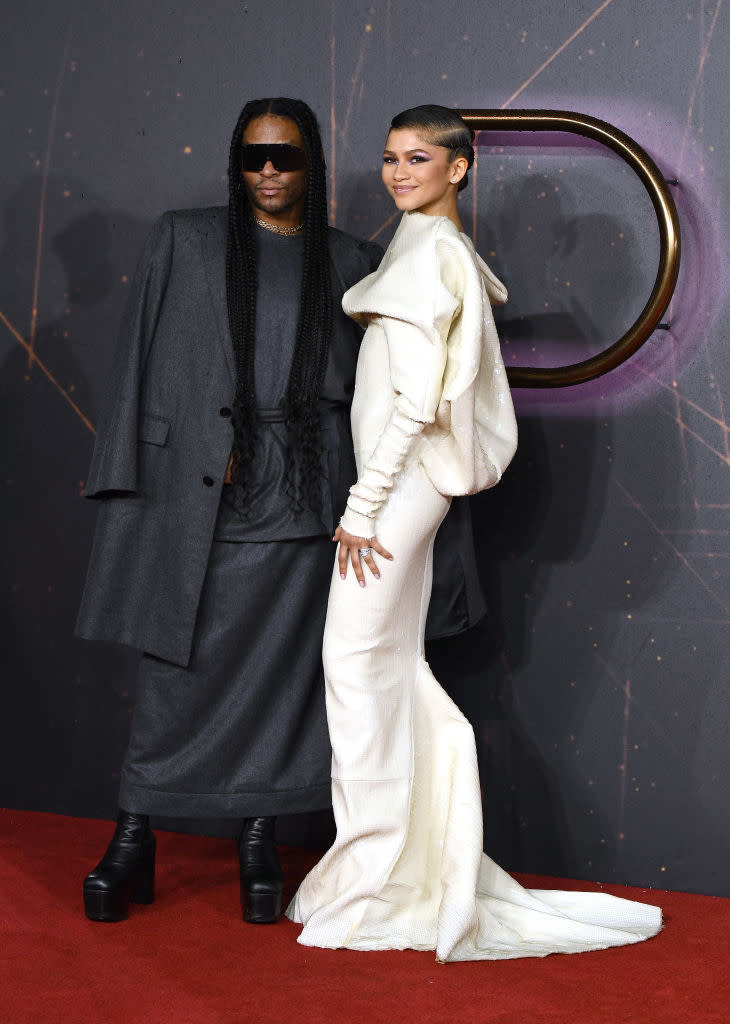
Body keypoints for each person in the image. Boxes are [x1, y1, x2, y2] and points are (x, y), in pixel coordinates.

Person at [76, 98, 486, 925]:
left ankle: (259, 836)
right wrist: (133, 474)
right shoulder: (184, 239)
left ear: (314, 166)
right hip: (200, 499)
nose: (269, 172)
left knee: (286, 681)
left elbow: (397, 393)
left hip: (303, 499)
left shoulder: (350, 262)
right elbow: (138, 370)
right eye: (254, 157)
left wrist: (369, 501)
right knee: (174, 671)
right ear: (236, 162)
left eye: (287, 158)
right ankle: (134, 832)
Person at [287, 105, 662, 962]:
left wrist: (360, 507)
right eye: (388, 158)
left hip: (397, 488)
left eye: (418, 158)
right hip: (409, 487)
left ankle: (379, 866)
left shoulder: (433, 256)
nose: (397, 172)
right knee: (385, 664)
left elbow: (417, 405)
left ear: (461, 167)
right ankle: (404, 859)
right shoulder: (431, 248)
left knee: (355, 664)